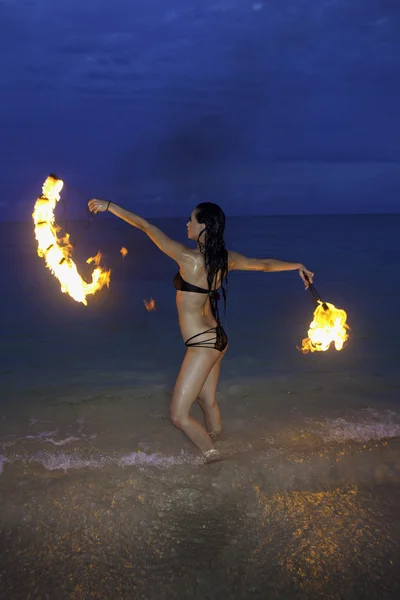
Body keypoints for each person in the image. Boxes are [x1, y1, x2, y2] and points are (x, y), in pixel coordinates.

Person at [88, 198, 314, 462]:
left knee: (178, 416)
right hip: (218, 339)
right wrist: (297, 265)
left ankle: (215, 459)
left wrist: (110, 207)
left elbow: (145, 227)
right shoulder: (225, 259)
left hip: (203, 345)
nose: (187, 224)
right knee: (207, 402)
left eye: (191, 220)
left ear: (203, 226)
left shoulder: (188, 259)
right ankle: (220, 442)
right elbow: (263, 264)